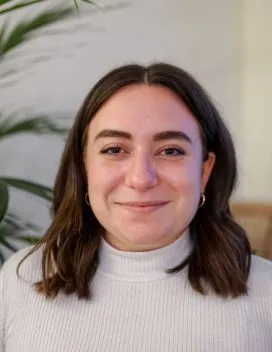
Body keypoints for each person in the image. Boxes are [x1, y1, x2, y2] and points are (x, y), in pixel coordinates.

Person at [0, 62, 271, 352]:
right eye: (114, 150)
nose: (141, 178)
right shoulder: (21, 278)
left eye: (170, 151)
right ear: (84, 167)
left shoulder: (265, 294)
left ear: (205, 171)